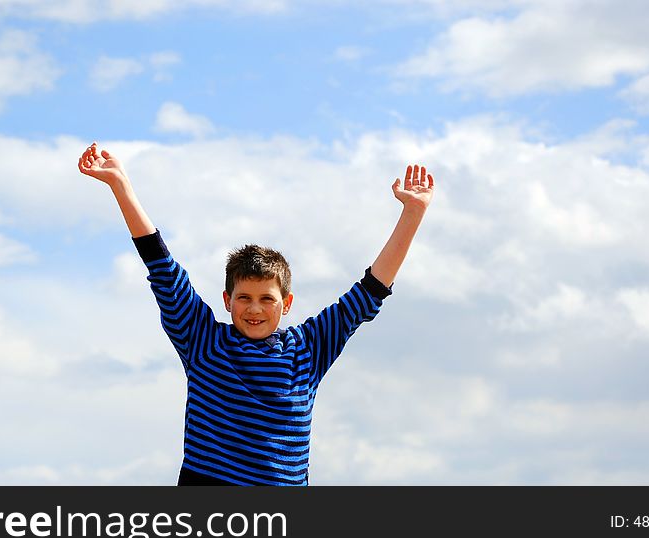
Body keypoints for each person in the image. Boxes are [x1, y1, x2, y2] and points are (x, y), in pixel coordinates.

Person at [78, 142, 435, 485]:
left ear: (287, 304)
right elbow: (162, 268)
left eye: (267, 299)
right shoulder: (203, 339)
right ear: (227, 300)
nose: (254, 308)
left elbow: (370, 291)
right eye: (244, 297)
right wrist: (120, 185)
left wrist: (413, 213)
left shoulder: (307, 349)